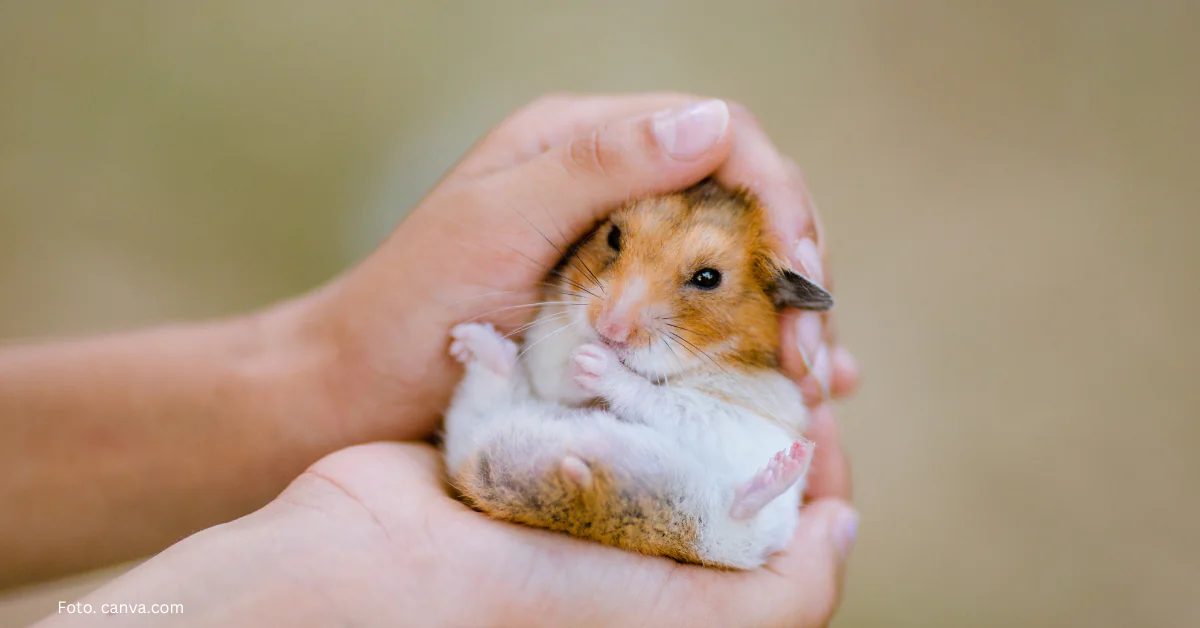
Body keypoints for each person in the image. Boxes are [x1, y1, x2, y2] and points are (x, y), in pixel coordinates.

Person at [2, 93, 861, 627]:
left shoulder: (745, 365)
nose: (618, 314)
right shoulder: (567, 315)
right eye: (613, 243)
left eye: (703, 280)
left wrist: (322, 374)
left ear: (781, 297)